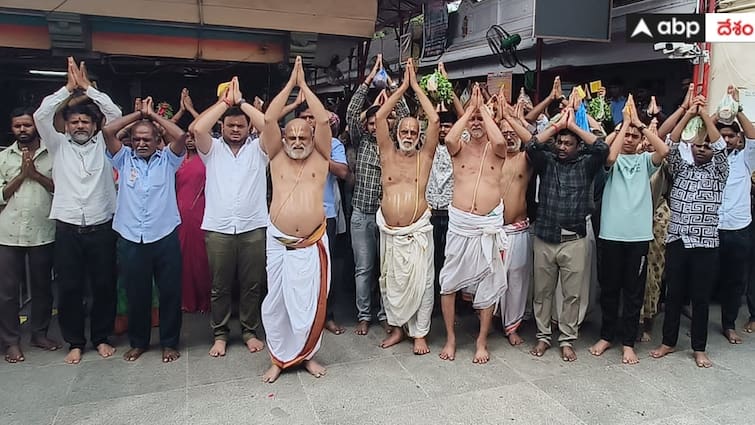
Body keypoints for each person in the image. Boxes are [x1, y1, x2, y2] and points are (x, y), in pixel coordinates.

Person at [33, 57, 121, 365]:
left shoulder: (104, 145)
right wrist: (67, 90)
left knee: (103, 285)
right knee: (69, 288)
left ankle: (100, 337)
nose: (80, 126)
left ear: (95, 125)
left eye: (85, 121)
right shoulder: (58, 145)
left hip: (102, 226)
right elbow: (41, 115)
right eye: (74, 122)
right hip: (68, 228)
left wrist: (88, 89)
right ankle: (75, 341)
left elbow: (115, 113)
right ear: (66, 126)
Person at [516, 106, 609, 362]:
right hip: (545, 238)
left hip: (574, 240)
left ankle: (567, 340)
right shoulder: (547, 162)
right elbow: (532, 146)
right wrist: (556, 127)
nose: (563, 147)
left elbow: (602, 149)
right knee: (542, 293)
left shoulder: (587, 165)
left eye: (569, 143)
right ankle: (544, 337)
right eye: (560, 142)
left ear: (578, 145)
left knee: (572, 295)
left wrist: (576, 126)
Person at [260, 57, 331, 383]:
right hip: (279, 242)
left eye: (305, 136)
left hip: (314, 241)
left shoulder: (321, 155)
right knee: (277, 303)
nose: (299, 141)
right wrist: (291, 85)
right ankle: (278, 358)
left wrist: (307, 87)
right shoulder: (275, 154)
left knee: (311, 304)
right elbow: (270, 118)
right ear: (284, 138)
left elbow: (323, 121)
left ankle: (306, 357)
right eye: (293, 136)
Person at [102, 97, 187, 363]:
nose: (141, 143)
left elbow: (181, 135)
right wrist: (137, 114)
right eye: (136, 139)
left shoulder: (168, 161)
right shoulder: (123, 159)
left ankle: (169, 343)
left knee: (170, 292)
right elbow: (107, 131)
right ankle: (138, 342)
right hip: (131, 237)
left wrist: (153, 118)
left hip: (164, 236)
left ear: (157, 141)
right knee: (137, 292)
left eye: (146, 139)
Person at [588, 95, 669, 365]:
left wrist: (640, 124)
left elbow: (664, 152)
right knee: (609, 289)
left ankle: (628, 342)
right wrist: (624, 125)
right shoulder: (612, 162)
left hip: (638, 238)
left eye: (635, 136)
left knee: (633, 292)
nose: (631, 139)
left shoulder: (645, 161)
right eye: (628, 135)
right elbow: (610, 156)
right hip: (611, 235)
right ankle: (607, 336)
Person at [190, 77, 267, 358]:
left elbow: (269, 126)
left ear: (249, 127)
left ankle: (249, 330)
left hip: (253, 228)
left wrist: (243, 103)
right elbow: (197, 127)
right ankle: (220, 334)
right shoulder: (212, 150)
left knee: (252, 285)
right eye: (230, 125)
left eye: (241, 125)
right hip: (219, 229)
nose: (235, 130)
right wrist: (225, 103)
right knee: (219, 287)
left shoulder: (260, 150)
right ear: (221, 126)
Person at [650, 95, 727, 368]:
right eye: (698, 145)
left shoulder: (719, 170)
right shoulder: (681, 168)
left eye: (706, 146)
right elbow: (670, 142)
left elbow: (720, 145)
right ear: (691, 148)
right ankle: (668, 341)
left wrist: (704, 114)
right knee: (673, 295)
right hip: (678, 239)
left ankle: (699, 348)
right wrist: (688, 112)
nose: (703, 149)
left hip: (706, 243)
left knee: (700, 298)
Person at [438, 84, 508, 364]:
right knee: (448, 283)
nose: (477, 124)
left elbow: (501, 142)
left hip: (486, 225)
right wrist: (470, 112)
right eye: (473, 120)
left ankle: (481, 341)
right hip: (461, 224)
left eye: (482, 120)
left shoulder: (498, 150)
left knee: (489, 283)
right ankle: (451, 339)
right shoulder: (459, 148)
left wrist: (485, 112)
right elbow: (449, 138)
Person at [374, 59, 440, 355]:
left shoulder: (424, 158)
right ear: (397, 132)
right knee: (391, 282)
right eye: (405, 130)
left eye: (414, 132)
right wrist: (400, 88)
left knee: (423, 284)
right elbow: (379, 119)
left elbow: (435, 121)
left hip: (417, 232)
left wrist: (416, 87)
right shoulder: (387, 153)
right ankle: (398, 329)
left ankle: (420, 333)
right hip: (390, 232)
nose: (409, 135)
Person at [345, 54, 410, 336]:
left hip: (388, 217)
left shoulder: (394, 144)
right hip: (361, 214)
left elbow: (407, 118)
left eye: (380, 121)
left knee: (387, 270)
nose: (376, 126)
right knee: (364, 270)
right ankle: (364, 315)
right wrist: (369, 79)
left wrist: (395, 85)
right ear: (367, 125)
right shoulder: (362, 141)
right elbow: (350, 115)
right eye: (371, 122)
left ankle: (385, 315)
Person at [0, 107, 58, 363]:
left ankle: (39, 334)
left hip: (43, 230)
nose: (22, 130)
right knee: (7, 291)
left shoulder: (53, 154)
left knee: (42, 288)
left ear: (36, 125)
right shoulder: (4, 158)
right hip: (9, 233)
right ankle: (11, 341)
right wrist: (23, 175)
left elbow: (62, 190)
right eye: (17, 126)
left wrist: (36, 175)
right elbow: (1, 195)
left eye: (26, 125)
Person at [714, 85, 755, 344]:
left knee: (735, 279)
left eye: (731, 136)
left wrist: (738, 110)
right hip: (713, 226)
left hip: (740, 227)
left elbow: (752, 137)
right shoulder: (711, 157)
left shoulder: (746, 158)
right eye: (723, 136)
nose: (727, 140)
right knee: (705, 276)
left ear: (737, 137)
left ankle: (729, 324)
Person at [497, 104, 534, 346]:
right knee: (489, 278)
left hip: (518, 230)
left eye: (513, 132)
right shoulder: (492, 156)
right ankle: (487, 320)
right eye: (504, 132)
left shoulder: (526, 158)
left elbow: (534, 141)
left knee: (517, 280)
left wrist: (512, 119)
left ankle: (512, 327)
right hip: (493, 230)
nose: (509, 136)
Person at [176, 130, 211, 313]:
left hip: (200, 212)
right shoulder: (177, 159)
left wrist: (190, 109)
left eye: (194, 137)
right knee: (182, 257)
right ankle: (186, 300)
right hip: (179, 213)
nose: (190, 141)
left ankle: (205, 301)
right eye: (187, 137)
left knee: (201, 258)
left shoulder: (207, 159)